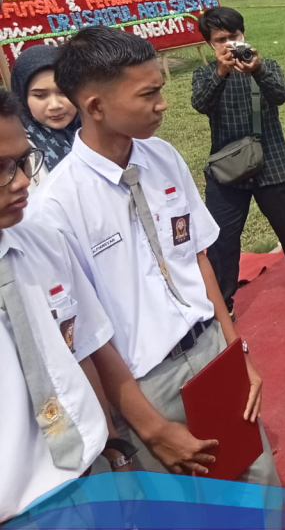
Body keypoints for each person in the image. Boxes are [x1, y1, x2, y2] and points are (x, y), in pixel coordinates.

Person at [36, 26, 281, 485]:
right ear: (95, 107)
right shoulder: (55, 206)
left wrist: (234, 348)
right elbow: (87, 333)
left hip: (209, 351)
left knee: (257, 479)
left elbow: (197, 257)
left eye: (161, 90)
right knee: (190, 507)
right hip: (144, 384)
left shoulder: (162, 156)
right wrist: (149, 426)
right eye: (148, 94)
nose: (163, 104)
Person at [0, 88, 114, 523]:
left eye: (23, 161)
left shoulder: (42, 239)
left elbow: (80, 346)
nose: (24, 180)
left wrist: (109, 446)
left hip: (88, 474)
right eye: (1, 169)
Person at [193, 6, 285, 312]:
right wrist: (221, 73)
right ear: (210, 44)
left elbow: (282, 94)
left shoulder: (266, 65)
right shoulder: (204, 74)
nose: (229, 44)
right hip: (227, 169)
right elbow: (201, 104)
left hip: (272, 163)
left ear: (243, 34)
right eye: (220, 40)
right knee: (222, 239)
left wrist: (258, 69)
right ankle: (222, 302)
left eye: (234, 36)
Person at [10, 44, 80, 191]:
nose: (55, 105)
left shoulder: (97, 130)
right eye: (40, 96)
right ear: (22, 97)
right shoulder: (15, 147)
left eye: (64, 92)